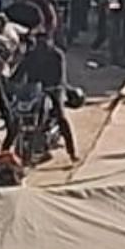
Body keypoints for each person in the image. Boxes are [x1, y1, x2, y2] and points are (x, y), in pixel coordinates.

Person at [11, 28, 80, 160]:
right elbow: (18, 75)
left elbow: (61, 77)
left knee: (61, 117)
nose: (41, 44)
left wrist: (53, 88)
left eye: (44, 41)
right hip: (34, 91)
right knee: (14, 117)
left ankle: (72, 152)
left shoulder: (57, 55)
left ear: (49, 40)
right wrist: (11, 85)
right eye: (38, 41)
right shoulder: (30, 56)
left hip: (53, 89)